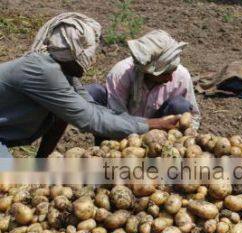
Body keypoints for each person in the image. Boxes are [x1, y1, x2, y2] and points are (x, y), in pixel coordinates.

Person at [0, 13, 179, 158]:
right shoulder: (44, 72)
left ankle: (40, 165)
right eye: (91, 52)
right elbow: (90, 119)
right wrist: (152, 124)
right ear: (74, 53)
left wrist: (147, 123)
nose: (93, 59)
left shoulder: (62, 72)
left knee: (62, 113)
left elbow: (92, 108)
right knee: (10, 177)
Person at [87, 29, 200, 146]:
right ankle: (103, 149)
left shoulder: (181, 75)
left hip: (160, 136)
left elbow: (194, 117)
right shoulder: (121, 74)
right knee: (93, 93)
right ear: (147, 71)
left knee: (180, 106)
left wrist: (189, 139)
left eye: (172, 72)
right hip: (123, 132)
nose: (170, 78)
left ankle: (163, 158)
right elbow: (117, 119)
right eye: (165, 73)